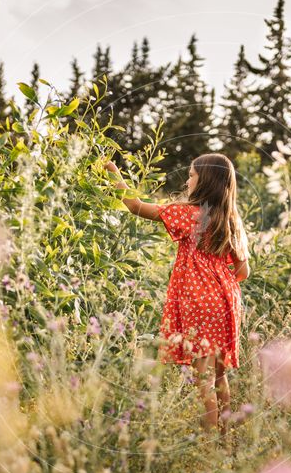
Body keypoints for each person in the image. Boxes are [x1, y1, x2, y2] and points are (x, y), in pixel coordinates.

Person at [103, 154, 250, 439]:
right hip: (227, 301)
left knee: (203, 381)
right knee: (220, 376)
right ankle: (225, 440)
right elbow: (243, 270)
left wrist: (111, 171)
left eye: (192, 175)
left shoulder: (191, 213)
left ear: (204, 181)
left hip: (199, 301)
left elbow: (134, 206)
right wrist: (218, 283)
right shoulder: (231, 219)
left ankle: (207, 448)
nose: (187, 180)